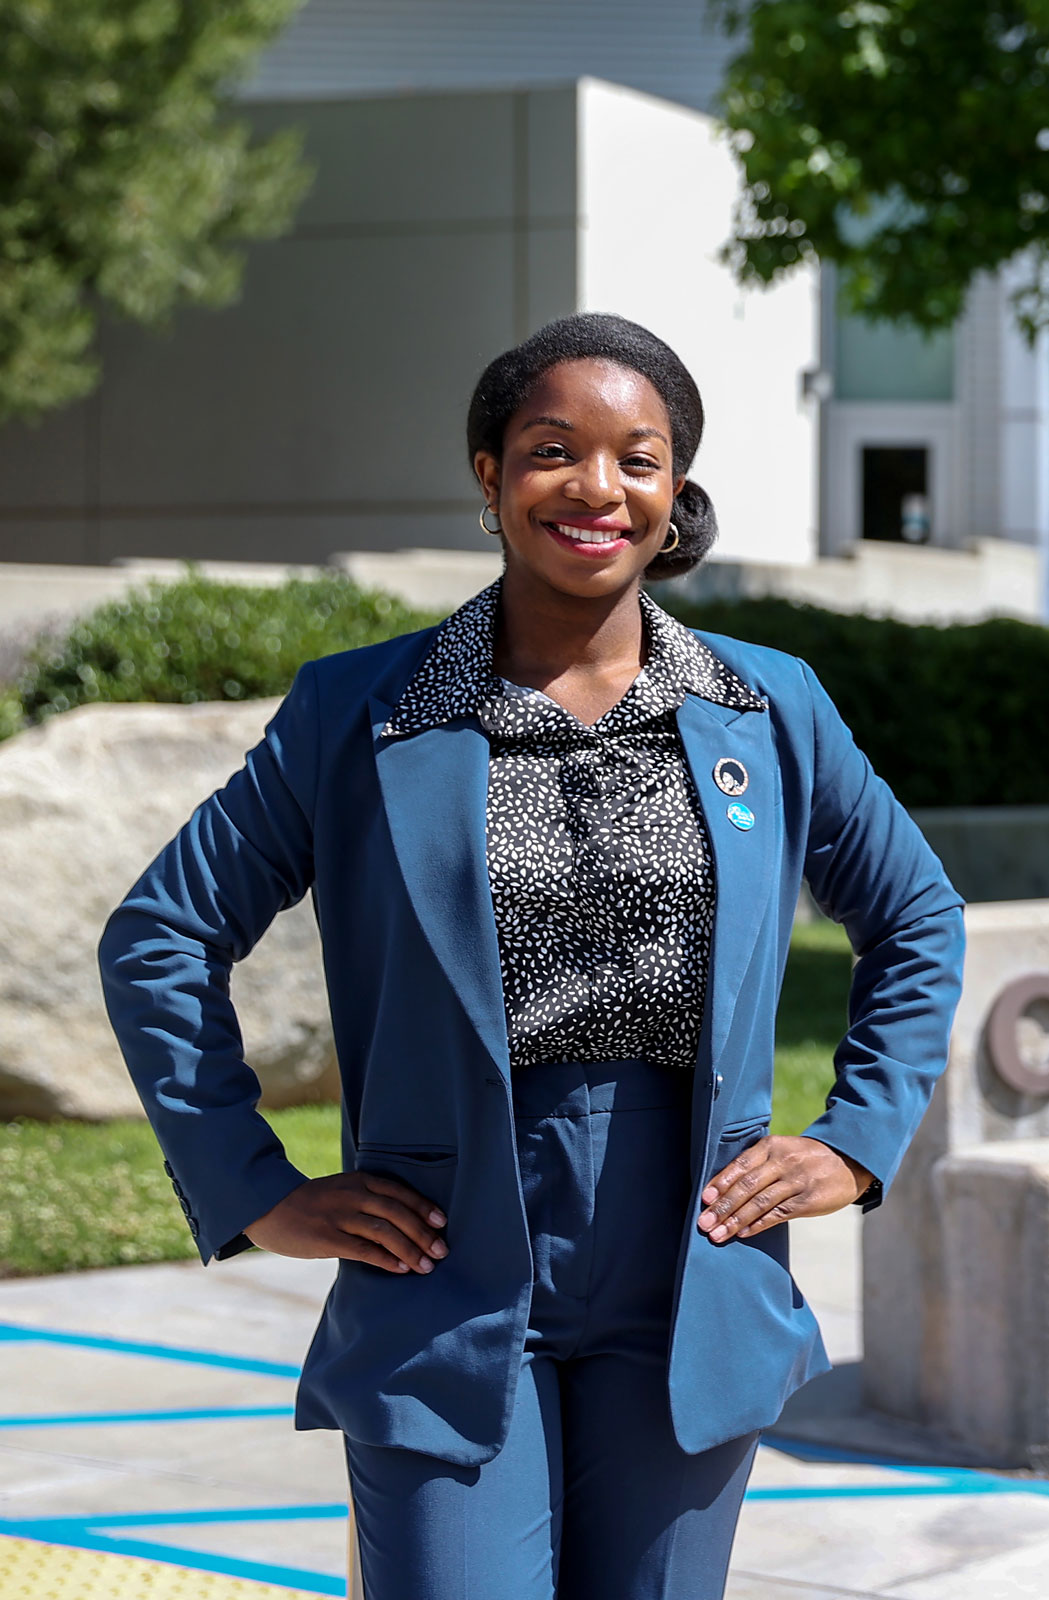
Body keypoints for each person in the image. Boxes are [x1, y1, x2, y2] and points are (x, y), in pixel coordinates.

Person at [98, 313, 965, 1600]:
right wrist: (252, 1184)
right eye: (554, 450)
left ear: (675, 495)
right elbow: (161, 935)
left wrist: (854, 1140)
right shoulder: (363, 709)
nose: (597, 487)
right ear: (490, 476)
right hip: (445, 1265)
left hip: (693, 1253)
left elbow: (917, 917)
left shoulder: (769, 706)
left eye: (639, 458)